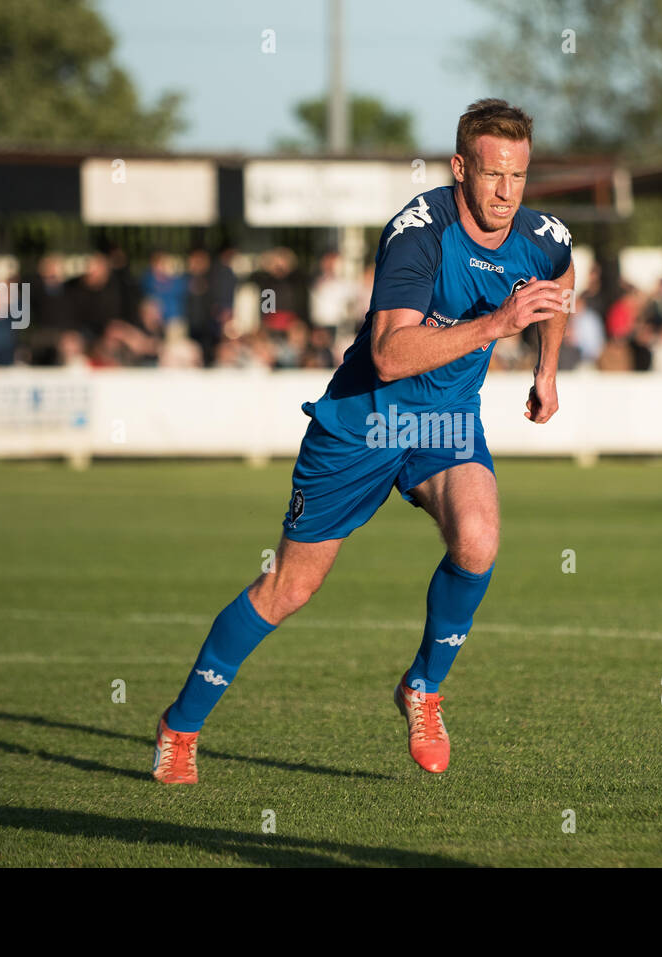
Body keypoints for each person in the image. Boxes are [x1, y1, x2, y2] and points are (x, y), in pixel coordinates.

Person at [153, 98, 573, 782]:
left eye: (519, 177)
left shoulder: (544, 234)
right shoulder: (417, 234)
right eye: (494, 174)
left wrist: (547, 366)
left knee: (479, 538)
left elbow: (561, 278)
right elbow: (388, 355)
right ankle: (181, 725)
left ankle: (423, 687)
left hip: (444, 424)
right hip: (363, 422)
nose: (506, 192)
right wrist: (498, 324)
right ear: (460, 166)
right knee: (289, 587)